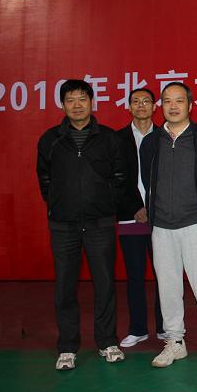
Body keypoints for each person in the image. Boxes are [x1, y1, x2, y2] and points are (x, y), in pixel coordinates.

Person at [36, 79, 126, 370]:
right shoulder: (50, 139)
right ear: (63, 105)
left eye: (82, 99)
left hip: (100, 224)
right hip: (64, 226)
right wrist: (59, 203)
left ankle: (107, 342)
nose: (77, 105)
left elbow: (120, 176)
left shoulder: (109, 138)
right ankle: (67, 347)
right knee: (64, 288)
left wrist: (105, 203)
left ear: (91, 102)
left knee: (105, 285)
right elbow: (44, 178)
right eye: (70, 100)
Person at [139, 82, 197, 368]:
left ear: (190, 105)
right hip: (162, 225)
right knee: (168, 287)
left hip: (196, 224)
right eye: (167, 101)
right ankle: (175, 341)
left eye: (179, 101)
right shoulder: (151, 141)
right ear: (160, 106)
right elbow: (148, 180)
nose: (173, 106)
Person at [116, 87, 165, 348]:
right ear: (129, 107)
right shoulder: (117, 139)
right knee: (135, 275)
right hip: (130, 216)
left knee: (164, 275)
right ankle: (138, 329)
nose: (141, 105)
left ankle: (165, 327)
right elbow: (116, 178)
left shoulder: (165, 136)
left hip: (162, 216)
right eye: (136, 101)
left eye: (146, 101)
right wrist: (136, 206)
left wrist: (153, 206)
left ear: (155, 106)